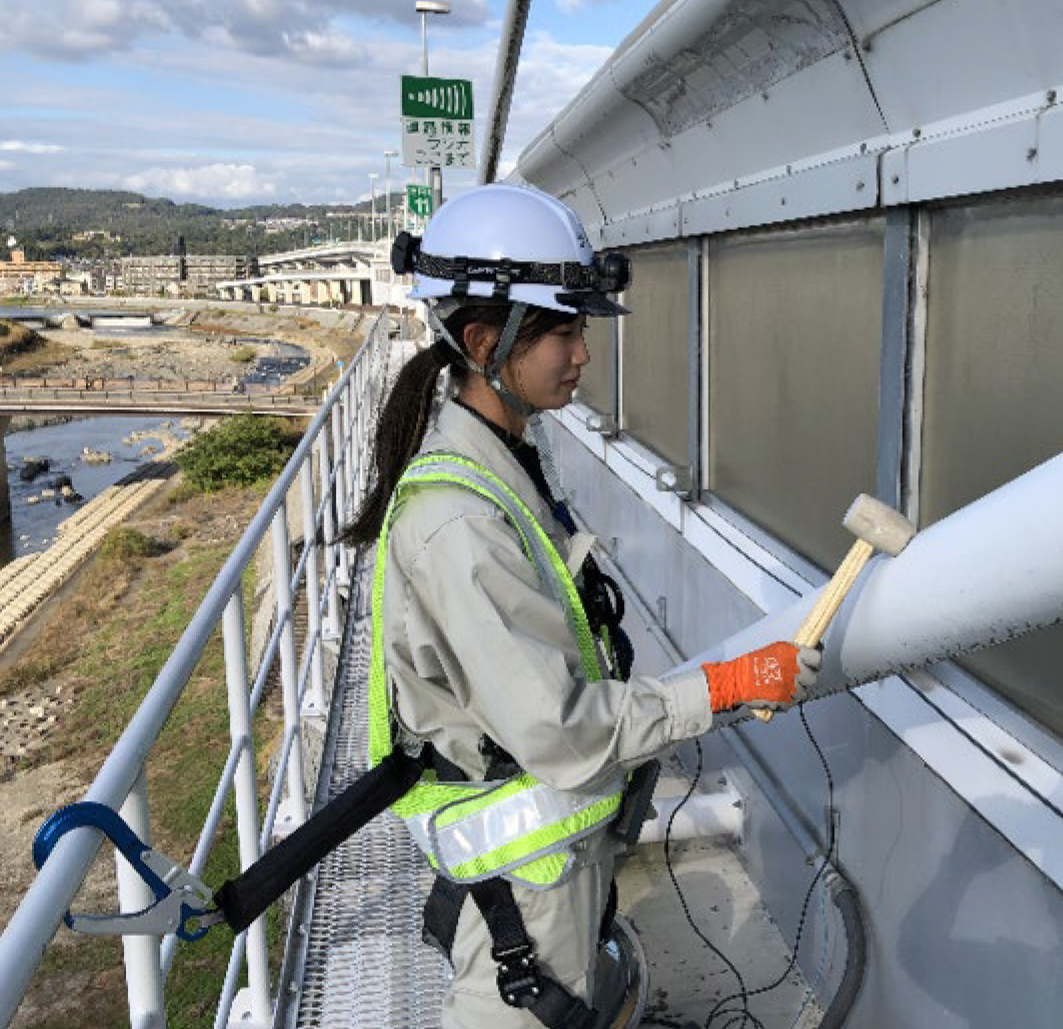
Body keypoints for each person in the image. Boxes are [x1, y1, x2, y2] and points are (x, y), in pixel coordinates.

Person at [343, 182, 819, 1029]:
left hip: (556, 860)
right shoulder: (458, 520)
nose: (581, 352)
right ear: (486, 340)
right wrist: (721, 687)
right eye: (562, 329)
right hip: (528, 887)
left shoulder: (507, 455)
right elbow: (557, 729)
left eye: (580, 328)